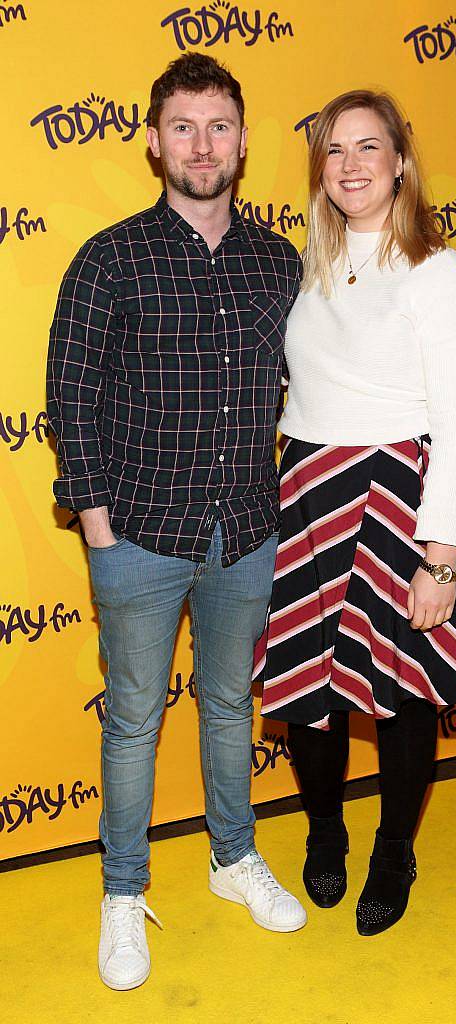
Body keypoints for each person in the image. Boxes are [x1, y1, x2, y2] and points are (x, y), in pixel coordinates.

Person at [47, 52, 306, 992]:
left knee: (233, 704)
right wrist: (101, 529)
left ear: (244, 141)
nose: (204, 144)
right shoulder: (110, 255)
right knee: (130, 724)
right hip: (139, 538)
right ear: (154, 142)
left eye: (221, 125)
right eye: (184, 126)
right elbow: (68, 398)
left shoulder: (278, 259)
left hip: (245, 529)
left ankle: (230, 858)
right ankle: (124, 892)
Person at [255, 90, 456, 935]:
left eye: (368, 147)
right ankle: (324, 835)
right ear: (318, 168)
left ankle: (394, 848)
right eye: (333, 149)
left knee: (401, 695)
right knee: (306, 692)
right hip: (308, 491)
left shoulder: (438, 273)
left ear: (399, 161)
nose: (350, 164)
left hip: (398, 496)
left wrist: (439, 557)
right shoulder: (305, 270)